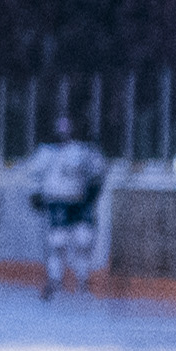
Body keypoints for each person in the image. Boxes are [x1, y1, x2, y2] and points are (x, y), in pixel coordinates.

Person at [22, 116, 109, 300]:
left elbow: (98, 171)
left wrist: (92, 191)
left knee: (83, 240)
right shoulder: (46, 152)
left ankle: (82, 281)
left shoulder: (84, 151)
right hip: (57, 202)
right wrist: (36, 192)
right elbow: (34, 175)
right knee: (58, 241)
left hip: (79, 202)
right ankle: (55, 280)